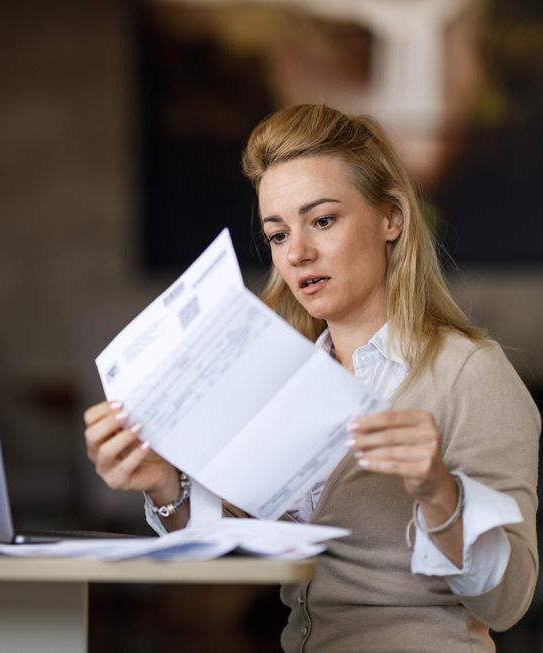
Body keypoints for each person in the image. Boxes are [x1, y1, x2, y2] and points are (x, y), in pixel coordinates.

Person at [83, 104, 539, 652]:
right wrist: (162, 483)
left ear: (391, 218)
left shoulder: (470, 372)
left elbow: (509, 603)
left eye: (322, 220)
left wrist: (441, 493)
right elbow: (234, 551)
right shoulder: (280, 375)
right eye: (277, 235)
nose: (297, 253)